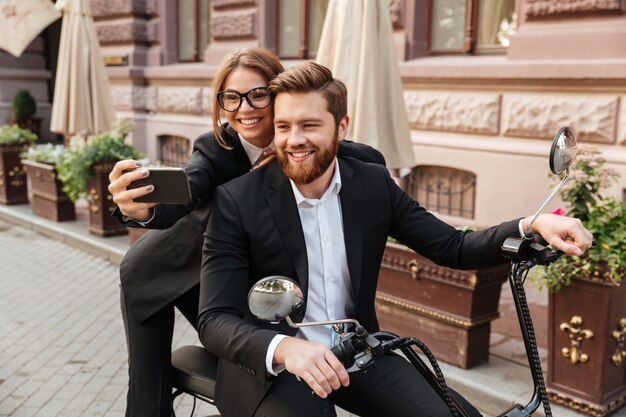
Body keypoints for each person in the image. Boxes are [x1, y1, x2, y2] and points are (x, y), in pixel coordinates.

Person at [197, 62, 594, 417]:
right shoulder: (237, 201)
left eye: (310, 125)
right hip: (275, 368)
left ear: (342, 126)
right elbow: (214, 320)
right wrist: (286, 349)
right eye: (283, 127)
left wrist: (531, 225)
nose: (293, 139)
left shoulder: (370, 185)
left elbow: (452, 247)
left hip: (355, 352)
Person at [106, 49, 385, 417]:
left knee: (251, 347)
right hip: (159, 272)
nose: (244, 108)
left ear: (279, 93)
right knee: (148, 388)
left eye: (258, 94)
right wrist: (142, 210)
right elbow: (190, 187)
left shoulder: (305, 143)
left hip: (222, 274)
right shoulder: (214, 148)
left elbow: (353, 156)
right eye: (231, 98)